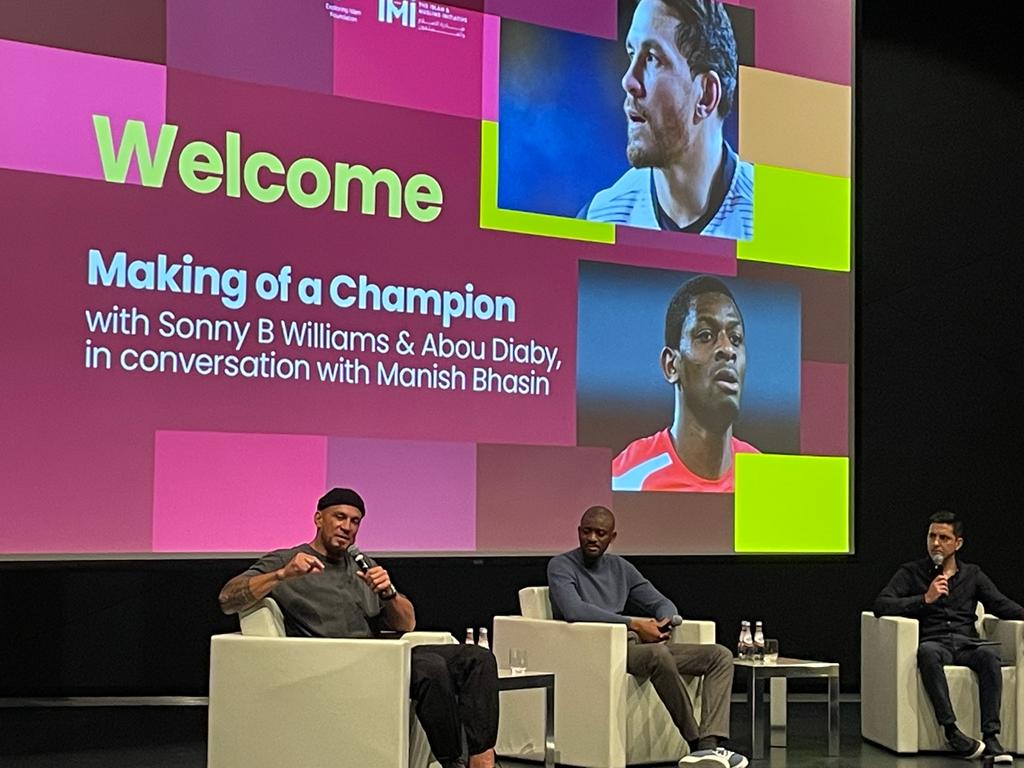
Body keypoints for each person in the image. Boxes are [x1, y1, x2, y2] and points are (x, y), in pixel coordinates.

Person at [218, 487, 498, 768]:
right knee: (431, 667)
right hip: (331, 664)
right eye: (339, 517)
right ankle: (451, 762)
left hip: (379, 658)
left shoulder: (363, 565)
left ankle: (481, 759)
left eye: (355, 521)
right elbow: (228, 599)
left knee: (477, 658)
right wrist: (281, 575)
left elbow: (407, 623)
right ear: (318, 519)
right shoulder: (287, 560)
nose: (347, 527)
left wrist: (388, 593)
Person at [547, 505, 747, 768]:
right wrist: (634, 624)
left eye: (600, 533)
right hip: (600, 649)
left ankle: (709, 744)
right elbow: (574, 610)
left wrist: (665, 622)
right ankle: (695, 742)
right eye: (587, 532)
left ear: (612, 537)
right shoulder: (561, 565)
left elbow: (661, 602)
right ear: (578, 532)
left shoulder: (621, 568)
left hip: (635, 647)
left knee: (719, 655)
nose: (592, 538)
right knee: (658, 654)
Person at [580, 0, 753, 240]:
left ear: (705, 95)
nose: (628, 80)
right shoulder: (599, 218)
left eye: (652, 58)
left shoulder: (778, 220)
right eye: (631, 54)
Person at [874, 510, 1024, 764]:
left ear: (958, 543)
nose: (936, 543)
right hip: (935, 641)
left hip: (967, 642)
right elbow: (881, 604)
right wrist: (924, 599)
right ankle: (952, 731)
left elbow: (1001, 605)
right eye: (932, 536)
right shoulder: (912, 572)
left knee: (989, 656)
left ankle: (991, 737)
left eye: (944, 537)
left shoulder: (973, 574)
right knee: (927, 653)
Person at [612, 274, 757, 492]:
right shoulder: (628, 480)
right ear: (671, 365)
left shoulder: (765, 479)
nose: (728, 350)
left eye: (735, 339)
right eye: (706, 335)